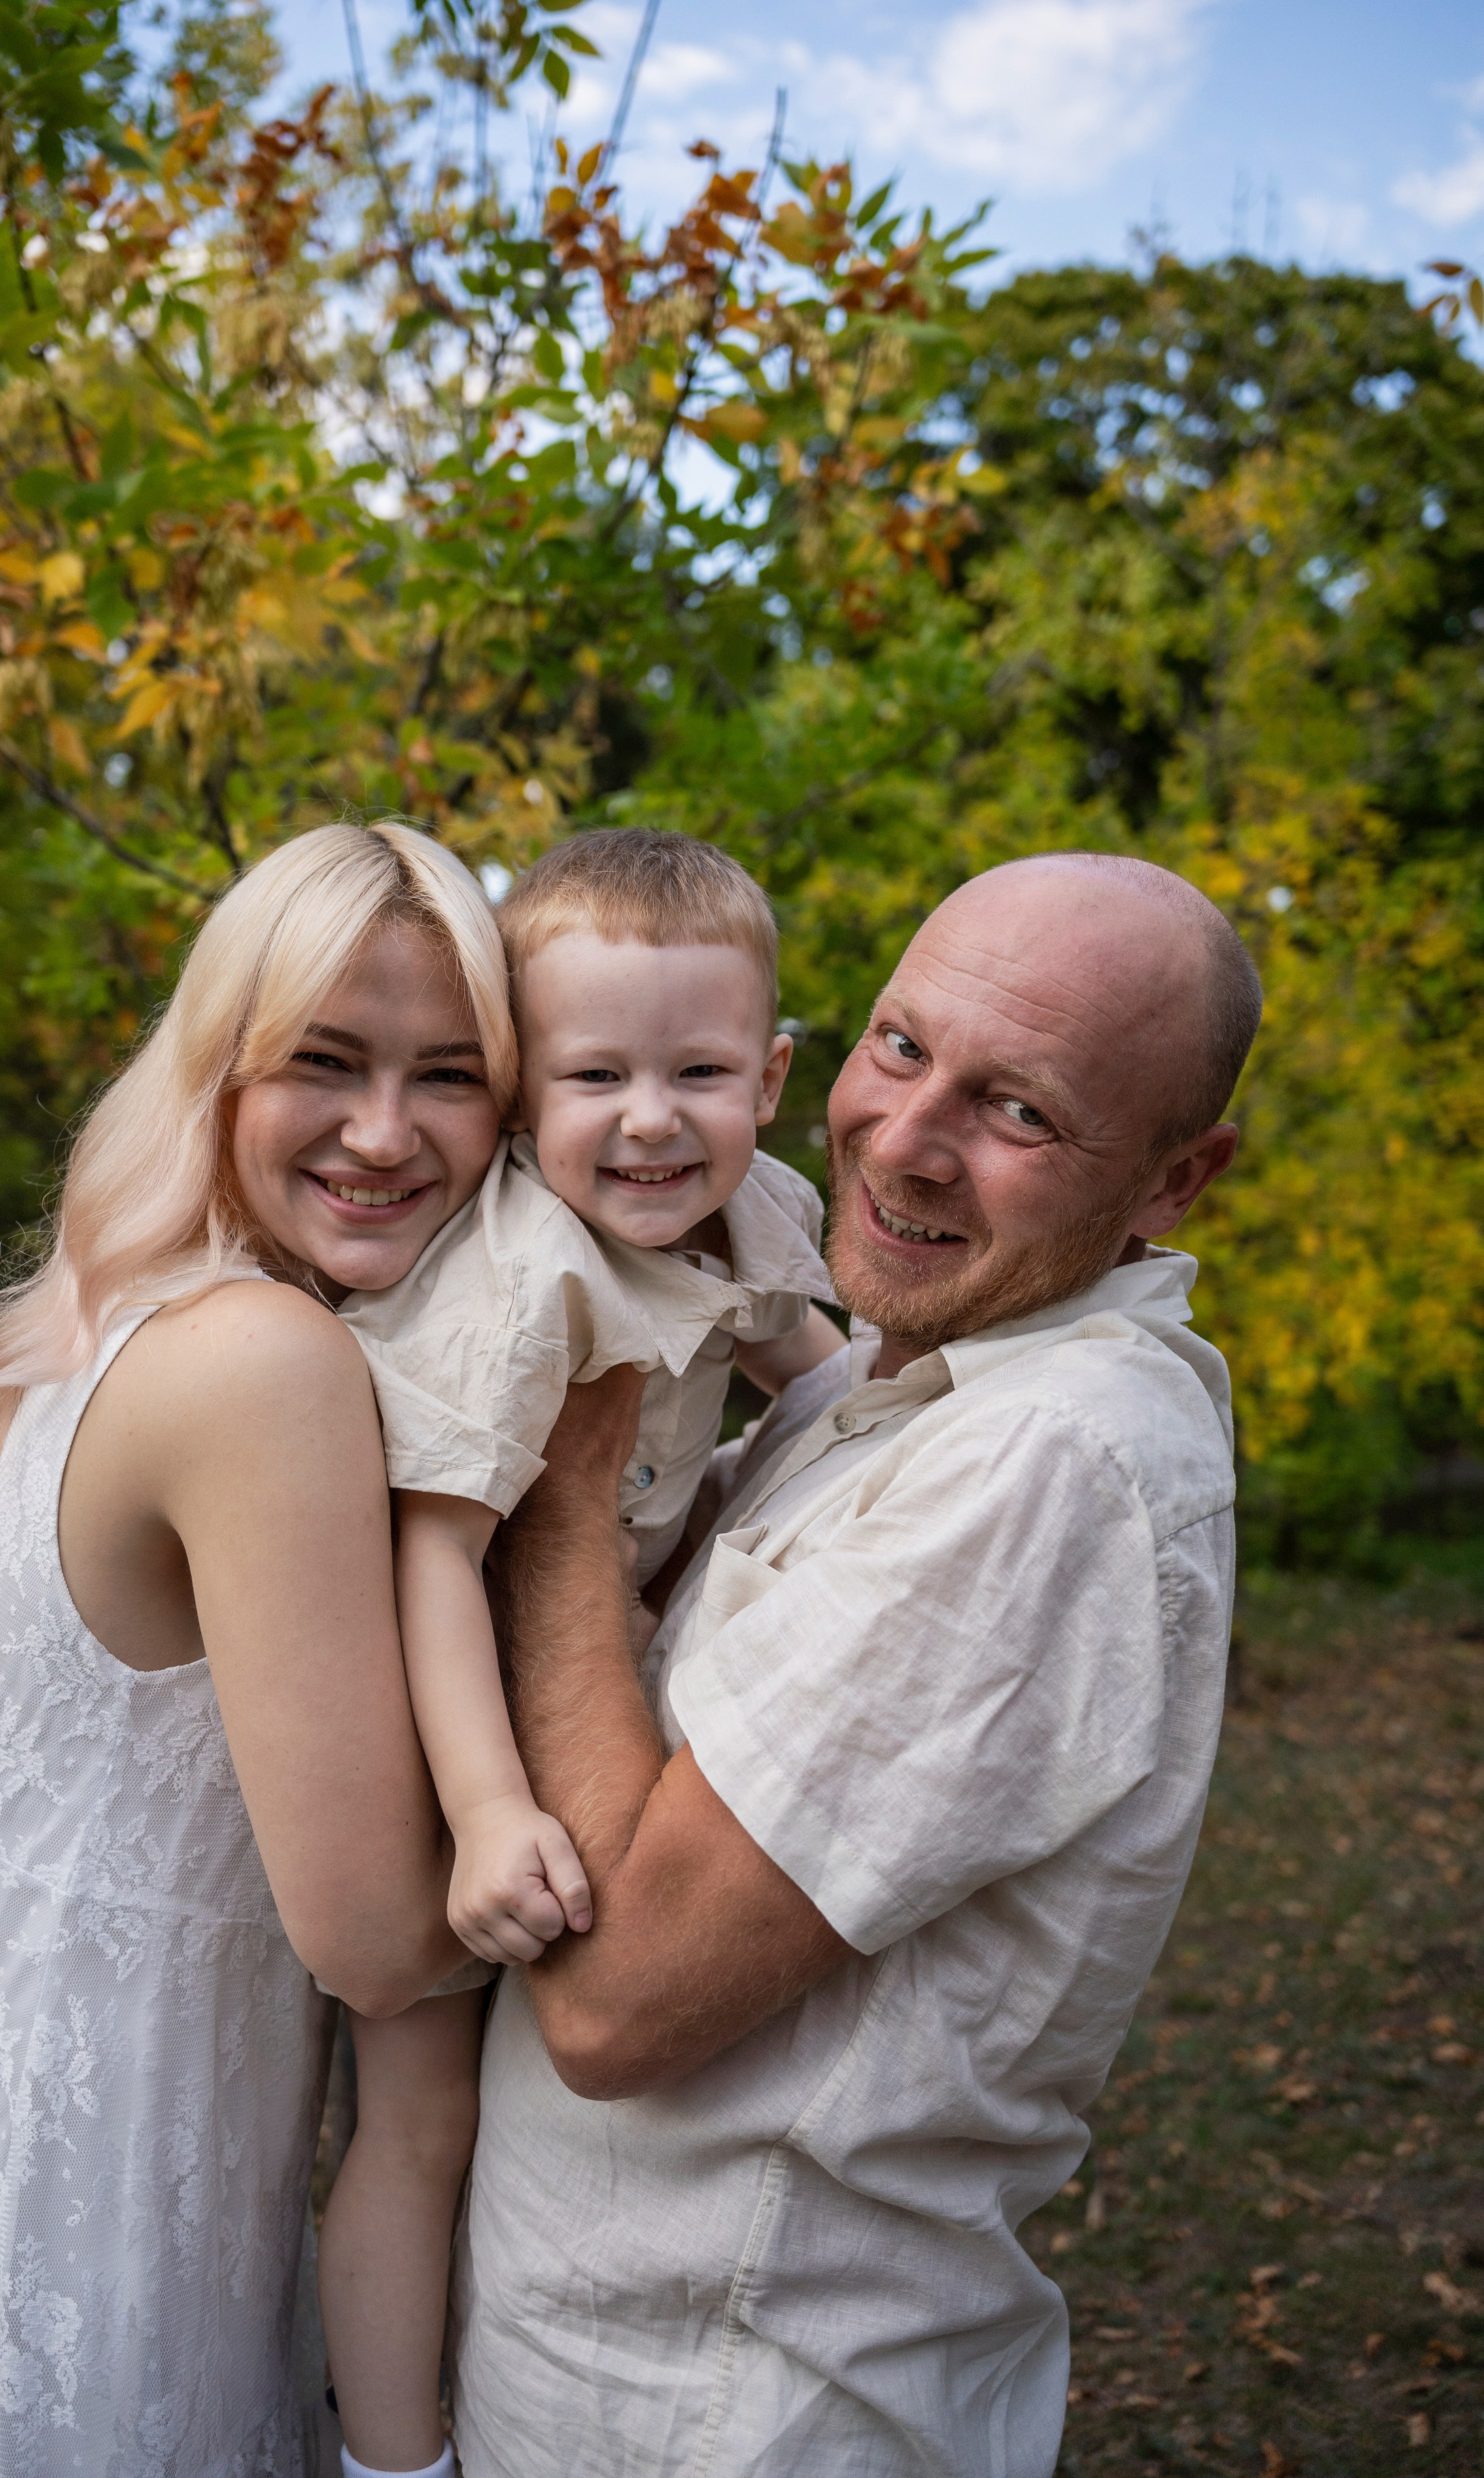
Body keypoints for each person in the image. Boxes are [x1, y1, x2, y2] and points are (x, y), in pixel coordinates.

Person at [450, 850, 1262, 2477]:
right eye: (897, 1048)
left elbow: (613, 2010)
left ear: (1175, 1181)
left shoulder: (1049, 1464)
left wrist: (559, 1480)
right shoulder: (890, 1383)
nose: (901, 1142)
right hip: (590, 2364)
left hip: (729, 2403)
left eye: (1017, 1113)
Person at [0, 821, 506, 2478]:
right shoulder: (263, 1362)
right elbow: (379, 1942)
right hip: (67, 2208)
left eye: (449, 1074)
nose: (386, 1131)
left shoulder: (114, 1311)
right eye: (326, 1061)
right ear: (221, 1068)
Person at [324, 829, 842, 2477]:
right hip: (430, 1715)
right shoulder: (525, 1279)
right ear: (519, 1088)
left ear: (767, 1077)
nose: (646, 1118)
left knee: (519, 2129)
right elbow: (430, 1553)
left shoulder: (748, 1208)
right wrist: (480, 1812)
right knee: (417, 2119)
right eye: (592, 1072)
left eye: (696, 1070)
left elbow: (808, 1364)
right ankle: (394, 2457)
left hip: (587, 1690)